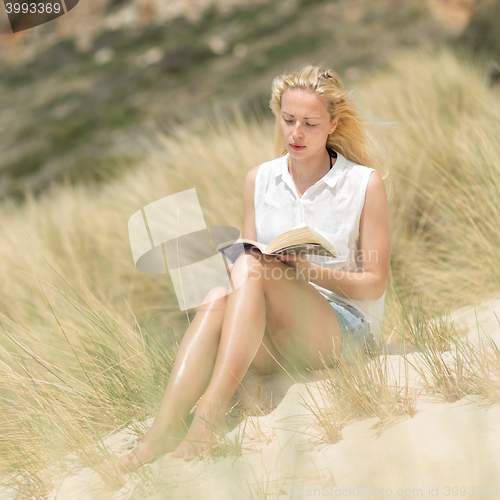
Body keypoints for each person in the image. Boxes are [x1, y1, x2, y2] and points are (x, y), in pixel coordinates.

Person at [120, 64, 391, 468]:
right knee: (218, 291)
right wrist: (232, 262)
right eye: (288, 120)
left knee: (253, 269)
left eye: (310, 124)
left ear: (333, 124)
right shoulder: (259, 179)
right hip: (275, 335)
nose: (296, 133)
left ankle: (209, 414)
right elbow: (247, 261)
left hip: (341, 331)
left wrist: (305, 270)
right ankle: (164, 426)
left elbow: (374, 284)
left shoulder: (364, 184)